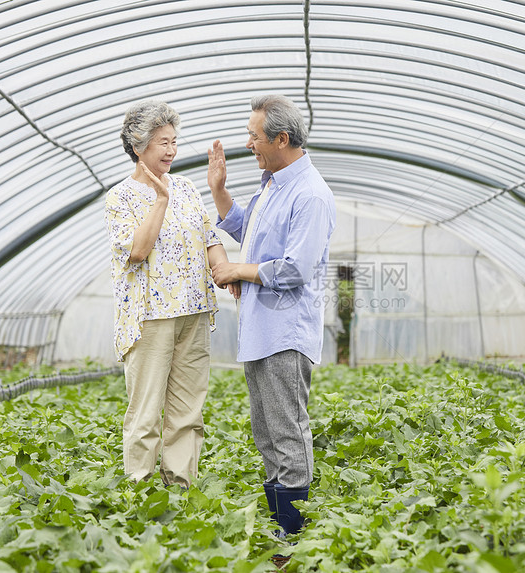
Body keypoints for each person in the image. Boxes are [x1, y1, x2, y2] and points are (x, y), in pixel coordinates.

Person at [207, 94, 336, 539]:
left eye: (254, 136)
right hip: (259, 329)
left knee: (286, 431)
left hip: (285, 332)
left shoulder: (310, 194)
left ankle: (294, 531)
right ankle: (281, 526)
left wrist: (238, 269)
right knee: (266, 430)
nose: (249, 144)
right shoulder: (272, 183)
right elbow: (252, 233)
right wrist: (220, 192)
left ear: (282, 139)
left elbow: (296, 268)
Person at [105, 100, 238, 488]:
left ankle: (180, 486)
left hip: (193, 311)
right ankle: (139, 487)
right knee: (145, 412)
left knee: (187, 410)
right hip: (149, 318)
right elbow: (137, 250)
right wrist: (160, 200)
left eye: (174, 141)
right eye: (163, 142)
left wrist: (223, 270)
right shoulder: (121, 197)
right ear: (138, 144)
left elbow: (207, 236)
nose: (171, 151)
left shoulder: (187, 187)